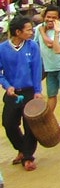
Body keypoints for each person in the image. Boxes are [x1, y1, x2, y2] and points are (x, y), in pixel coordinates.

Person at [0, 16, 44, 171]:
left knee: (30, 126)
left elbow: (37, 70)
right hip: (12, 93)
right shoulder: (2, 49)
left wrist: (37, 91)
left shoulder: (32, 46)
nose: (31, 32)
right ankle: (22, 148)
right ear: (17, 32)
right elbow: (0, 72)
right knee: (8, 123)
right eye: (28, 29)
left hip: (29, 91)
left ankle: (28, 157)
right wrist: (7, 86)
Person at [34, 4, 60, 130]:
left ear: (59, 19)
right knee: (51, 95)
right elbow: (35, 44)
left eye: (53, 18)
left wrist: (42, 32)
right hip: (49, 67)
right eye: (48, 17)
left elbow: (50, 44)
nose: (50, 20)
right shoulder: (39, 28)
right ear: (44, 17)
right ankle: (48, 120)